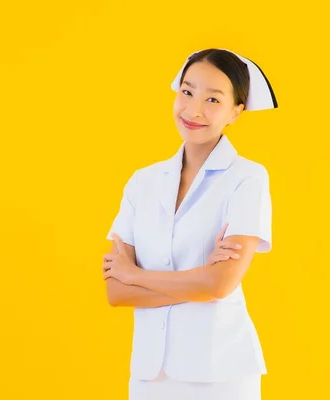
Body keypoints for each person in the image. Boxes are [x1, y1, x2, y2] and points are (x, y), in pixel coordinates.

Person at [102, 48, 278, 400]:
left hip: (221, 372)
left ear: (236, 112)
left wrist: (135, 274)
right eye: (187, 92)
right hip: (151, 378)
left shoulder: (246, 178)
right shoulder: (143, 182)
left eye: (213, 99)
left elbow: (219, 285)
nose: (194, 110)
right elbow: (115, 292)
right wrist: (196, 281)